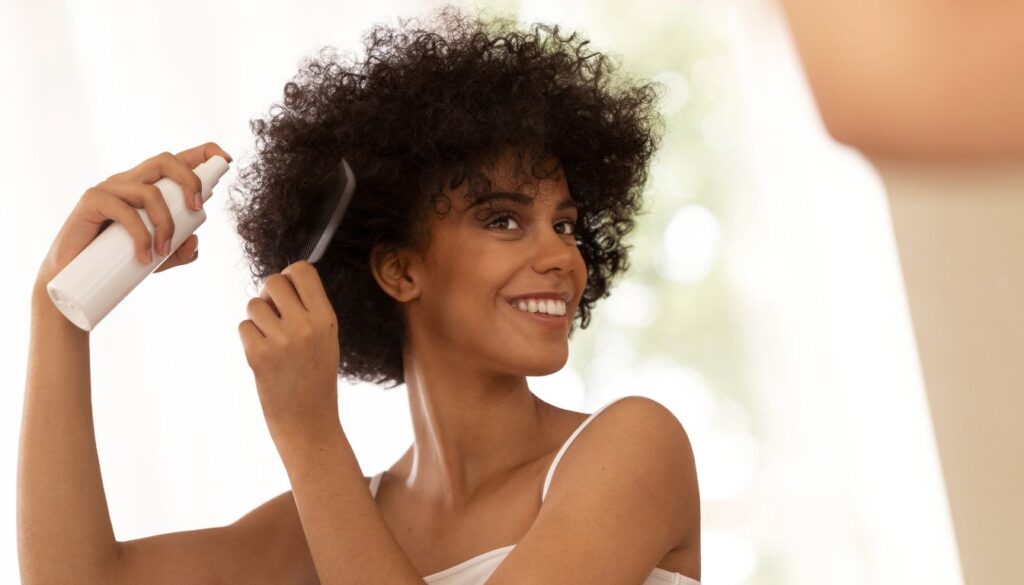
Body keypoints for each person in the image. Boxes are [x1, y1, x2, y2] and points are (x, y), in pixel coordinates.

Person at [19, 5, 700, 584]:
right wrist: (57, 312)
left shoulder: (632, 448)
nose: (560, 257)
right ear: (399, 270)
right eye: (503, 219)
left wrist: (308, 430)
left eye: (565, 225)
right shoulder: (341, 514)